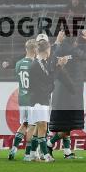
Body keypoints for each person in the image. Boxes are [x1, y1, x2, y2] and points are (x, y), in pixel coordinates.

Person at [47, 28, 86, 160]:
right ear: (74, 40)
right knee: (68, 124)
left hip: (60, 91)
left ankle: (67, 152)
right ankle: (49, 144)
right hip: (72, 91)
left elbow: (48, 56)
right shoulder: (73, 51)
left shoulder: (57, 50)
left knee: (63, 123)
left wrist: (56, 42)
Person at [27, 34, 58, 162]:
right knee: (43, 127)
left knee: (38, 127)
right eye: (50, 50)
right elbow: (48, 80)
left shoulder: (39, 63)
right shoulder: (38, 64)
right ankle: (46, 155)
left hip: (38, 98)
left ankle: (33, 154)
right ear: (47, 50)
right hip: (39, 99)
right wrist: (59, 67)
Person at [5, 39, 36, 161]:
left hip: (22, 98)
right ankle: (28, 154)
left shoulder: (18, 64)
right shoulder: (36, 64)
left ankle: (14, 148)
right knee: (32, 126)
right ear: (34, 50)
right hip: (33, 99)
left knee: (24, 124)